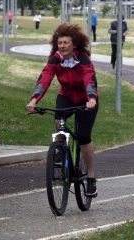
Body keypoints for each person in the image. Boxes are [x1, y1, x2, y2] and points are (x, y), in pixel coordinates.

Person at [26, 23, 99, 197]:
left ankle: (90, 177)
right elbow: (45, 78)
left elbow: (90, 79)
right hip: (66, 95)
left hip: (86, 99)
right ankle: (59, 151)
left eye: (66, 43)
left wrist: (92, 98)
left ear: (74, 45)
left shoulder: (83, 59)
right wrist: (34, 99)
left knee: (83, 137)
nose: (62, 46)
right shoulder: (55, 59)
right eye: (60, 43)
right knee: (59, 122)